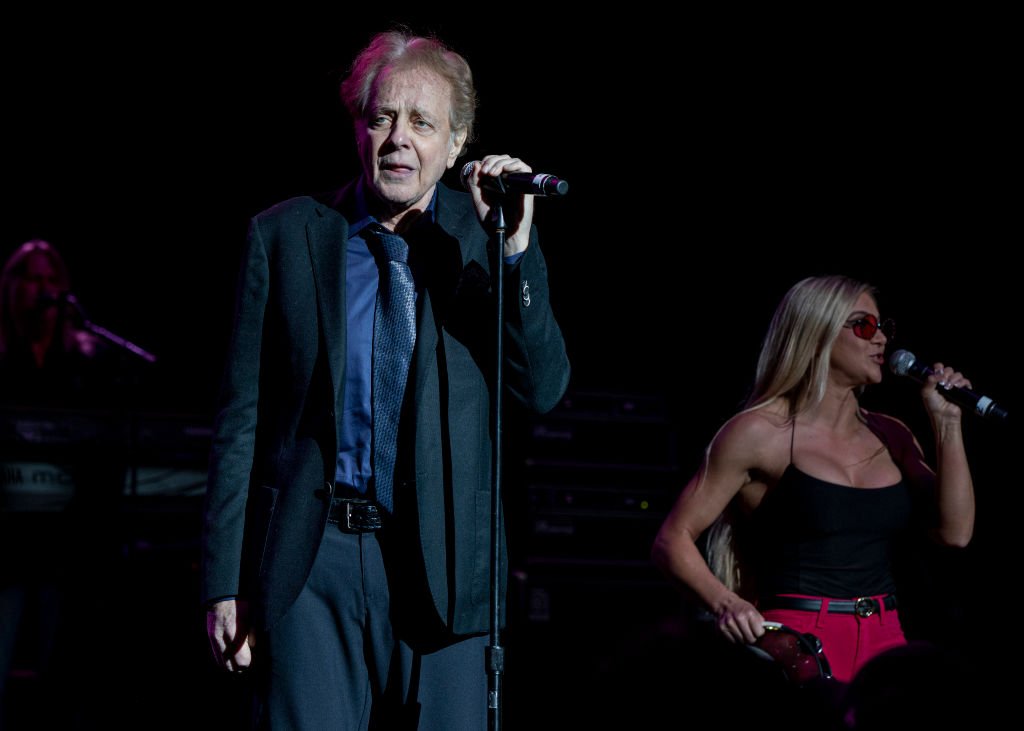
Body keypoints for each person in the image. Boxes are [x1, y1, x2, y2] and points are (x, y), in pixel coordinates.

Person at [201, 29, 570, 730]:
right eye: (381, 117)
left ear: (457, 144)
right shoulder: (286, 237)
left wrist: (516, 252)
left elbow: (543, 388)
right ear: (358, 128)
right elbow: (240, 423)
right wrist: (225, 582)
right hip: (314, 561)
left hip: (447, 563)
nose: (398, 138)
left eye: (422, 122)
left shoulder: (483, 240)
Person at [650, 274, 975, 686]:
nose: (881, 341)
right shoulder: (760, 432)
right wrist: (726, 604)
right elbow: (672, 538)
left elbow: (956, 532)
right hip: (799, 642)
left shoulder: (892, 435)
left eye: (883, 328)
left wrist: (947, 424)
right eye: (864, 326)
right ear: (817, 333)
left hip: (886, 635)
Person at [0, 238, 129, 726]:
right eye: (32, 278)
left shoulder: (82, 364)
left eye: (51, 280)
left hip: (63, 543)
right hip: (7, 541)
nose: (43, 289)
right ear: (11, 288)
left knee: (65, 669)